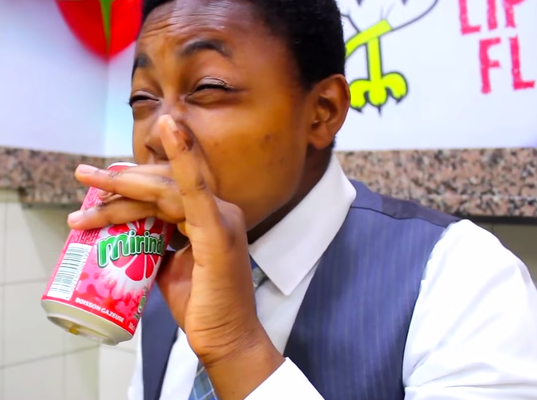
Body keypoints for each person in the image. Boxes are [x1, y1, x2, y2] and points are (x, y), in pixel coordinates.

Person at [65, 0, 537, 398]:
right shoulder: (165, 271)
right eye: (143, 98)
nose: (159, 135)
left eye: (208, 88)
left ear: (322, 111)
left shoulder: (464, 281)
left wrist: (236, 350)